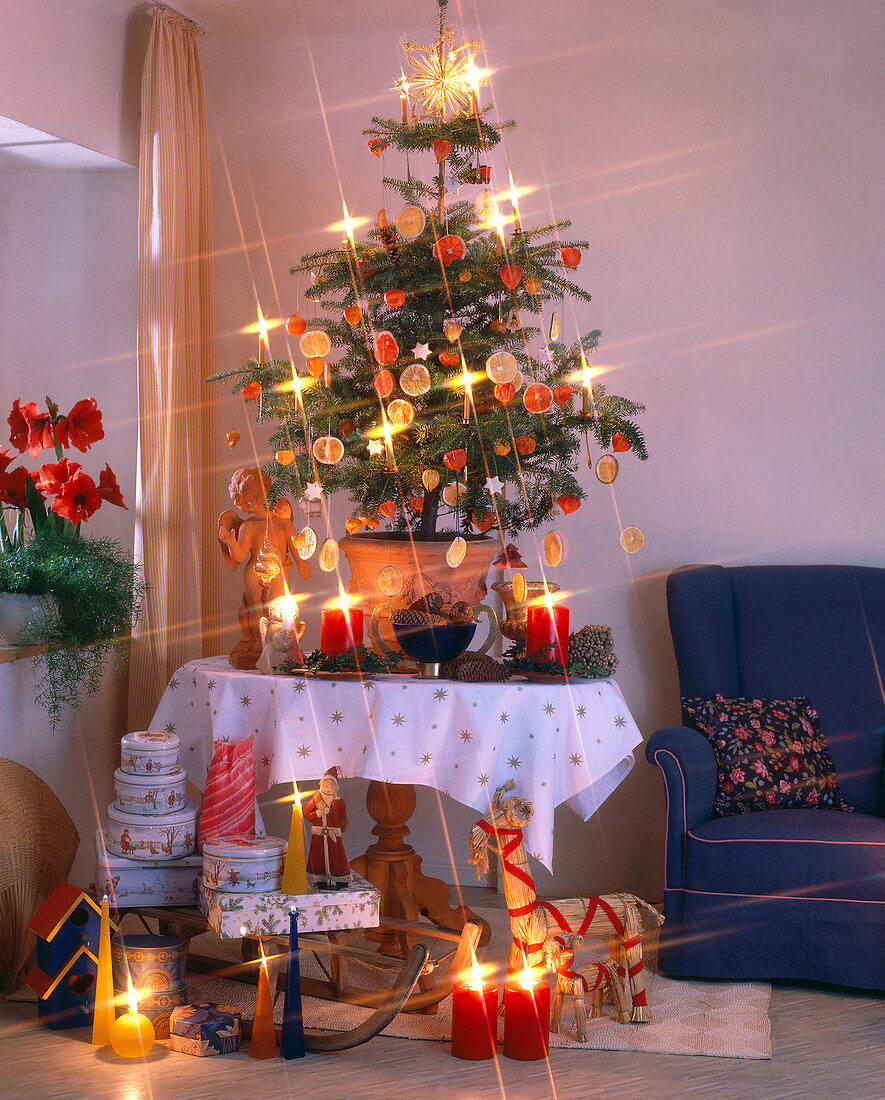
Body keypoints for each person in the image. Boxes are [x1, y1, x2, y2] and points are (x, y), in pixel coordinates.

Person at [218, 467, 311, 669]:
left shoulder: (283, 522)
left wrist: (301, 563)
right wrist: (231, 543)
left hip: (279, 571)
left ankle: (278, 647)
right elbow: (241, 556)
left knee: (278, 609)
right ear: (244, 503)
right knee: (255, 610)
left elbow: (294, 544)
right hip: (254, 573)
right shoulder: (248, 526)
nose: (262, 499)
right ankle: (257, 645)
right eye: (254, 498)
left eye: (264, 494)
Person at [304, 767, 351, 889]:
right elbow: (306, 813)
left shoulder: (339, 802)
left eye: (332, 786)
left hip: (333, 835)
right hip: (319, 835)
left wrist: (327, 812)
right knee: (318, 857)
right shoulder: (316, 799)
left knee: (336, 857)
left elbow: (336, 818)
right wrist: (317, 814)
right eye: (326, 785)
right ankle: (320, 880)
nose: (329, 789)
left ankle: (341, 880)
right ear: (321, 786)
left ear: (336, 788)